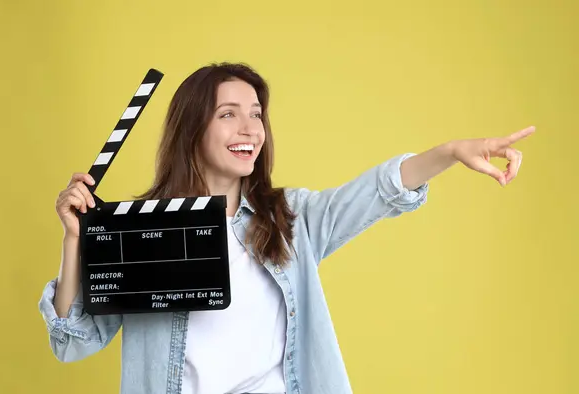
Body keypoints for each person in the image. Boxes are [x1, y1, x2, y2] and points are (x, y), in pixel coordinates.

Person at [38, 62, 535, 394]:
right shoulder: (137, 232)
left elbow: (377, 191)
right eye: (228, 114)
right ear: (193, 129)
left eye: (256, 114)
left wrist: (448, 153)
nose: (250, 128)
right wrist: (75, 240)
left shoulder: (289, 219)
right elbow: (72, 340)